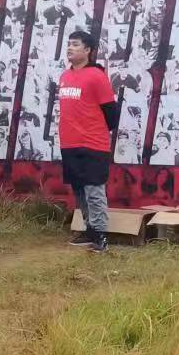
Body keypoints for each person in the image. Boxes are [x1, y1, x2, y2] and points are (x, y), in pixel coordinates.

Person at [57, 29, 117, 251]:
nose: (70, 48)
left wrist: (93, 130)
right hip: (69, 143)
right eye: (69, 44)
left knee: (94, 190)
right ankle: (89, 229)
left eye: (75, 44)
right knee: (79, 189)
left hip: (93, 143)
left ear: (88, 50)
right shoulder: (65, 76)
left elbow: (111, 113)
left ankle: (100, 234)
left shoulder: (97, 76)